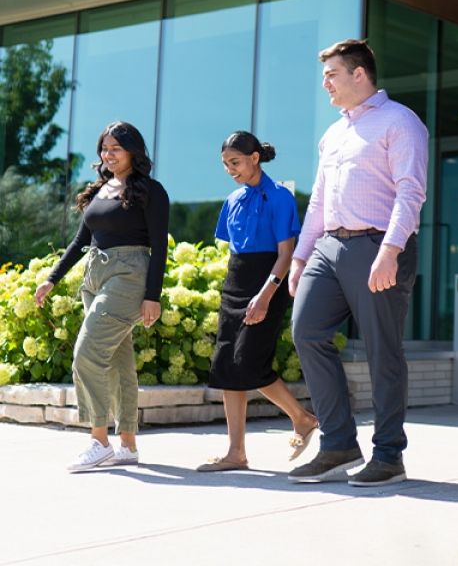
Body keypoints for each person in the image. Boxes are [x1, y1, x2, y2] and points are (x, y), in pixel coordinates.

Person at [287, 39, 427, 487]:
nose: (325, 83)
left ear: (359, 74)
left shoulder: (400, 122)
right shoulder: (334, 133)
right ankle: (338, 445)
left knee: (383, 350)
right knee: (306, 330)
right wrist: (301, 256)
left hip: (378, 245)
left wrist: (390, 250)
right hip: (329, 246)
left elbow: (411, 191)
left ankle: (389, 456)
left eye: (331, 75)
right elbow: (319, 202)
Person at [34, 121, 169, 471]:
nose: (108, 155)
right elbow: (80, 242)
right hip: (95, 276)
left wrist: (152, 296)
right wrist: (52, 279)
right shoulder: (99, 190)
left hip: (129, 274)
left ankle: (98, 440)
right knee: (119, 362)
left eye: (115, 149)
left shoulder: (151, 191)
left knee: (87, 354)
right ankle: (127, 444)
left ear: (132, 152)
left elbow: (159, 248)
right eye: (104, 149)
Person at [197, 131, 320, 472]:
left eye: (235, 162)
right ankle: (236, 453)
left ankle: (302, 418)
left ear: (254, 158)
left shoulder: (280, 197)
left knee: (249, 363)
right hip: (235, 283)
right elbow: (233, 252)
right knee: (226, 367)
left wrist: (265, 295)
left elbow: (286, 254)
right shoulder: (233, 199)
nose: (230, 170)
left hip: (268, 282)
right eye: (225, 164)